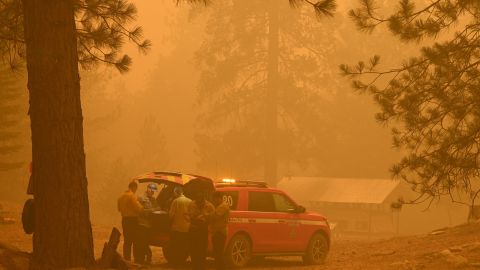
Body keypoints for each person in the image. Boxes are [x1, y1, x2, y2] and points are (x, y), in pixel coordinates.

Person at [117, 180, 144, 261]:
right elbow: (139, 209)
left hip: (124, 220)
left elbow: (119, 209)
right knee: (135, 240)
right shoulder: (132, 196)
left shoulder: (121, 197)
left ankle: (127, 259)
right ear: (133, 187)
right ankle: (137, 259)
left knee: (127, 240)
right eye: (136, 188)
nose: (136, 190)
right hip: (133, 220)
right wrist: (141, 205)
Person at [187, 192, 215, 270]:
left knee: (202, 250)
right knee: (193, 250)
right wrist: (194, 217)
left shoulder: (209, 206)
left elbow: (213, 217)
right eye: (197, 198)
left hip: (203, 230)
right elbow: (188, 214)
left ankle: (201, 267)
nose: (198, 200)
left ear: (203, 198)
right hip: (193, 229)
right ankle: (194, 266)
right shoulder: (191, 204)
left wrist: (205, 217)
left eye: (200, 198)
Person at [168, 186, 192, 267]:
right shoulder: (190, 201)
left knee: (176, 247)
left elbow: (171, 215)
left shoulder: (176, 201)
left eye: (174, 193)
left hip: (177, 229)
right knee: (184, 247)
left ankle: (176, 263)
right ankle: (182, 262)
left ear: (176, 192)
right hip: (187, 229)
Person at [137, 183, 159, 265]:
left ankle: (146, 258)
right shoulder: (141, 198)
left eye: (154, 192)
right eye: (152, 191)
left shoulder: (153, 199)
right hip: (142, 223)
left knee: (145, 242)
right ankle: (141, 259)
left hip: (149, 224)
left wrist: (153, 210)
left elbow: (158, 207)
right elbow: (140, 211)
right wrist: (151, 210)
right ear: (148, 189)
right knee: (142, 242)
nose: (153, 193)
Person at [210, 191, 230, 270]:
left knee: (218, 253)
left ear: (218, 198)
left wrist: (207, 215)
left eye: (214, 199)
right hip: (216, 232)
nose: (213, 201)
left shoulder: (223, 206)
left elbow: (215, 216)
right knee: (216, 253)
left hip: (220, 232)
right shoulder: (219, 206)